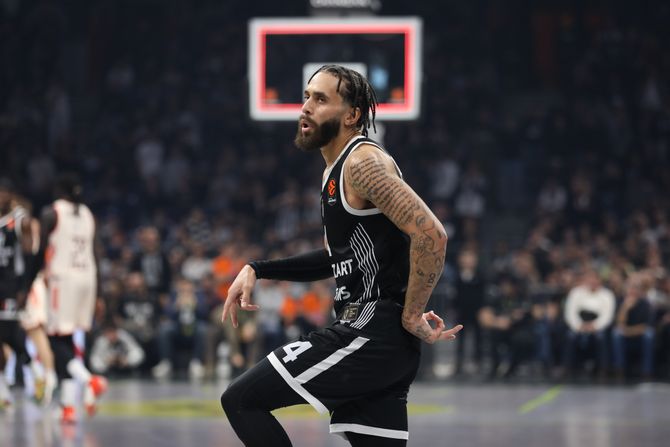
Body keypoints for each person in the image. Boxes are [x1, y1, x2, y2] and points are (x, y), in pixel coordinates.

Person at [220, 65, 463, 447]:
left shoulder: (362, 163)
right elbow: (335, 258)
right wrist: (257, 269)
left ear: (352, 115)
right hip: (383, 342)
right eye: (306, 97)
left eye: (320, 99)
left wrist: (412, 312)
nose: (306, 107)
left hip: (369, 330)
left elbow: (431, 234)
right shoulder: (334, 172)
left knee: (241, 400)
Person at [26, 173, 107, 422]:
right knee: (68, 340)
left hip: (63, 280)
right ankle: (68, 407)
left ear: (59, 190)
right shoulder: (88, 214)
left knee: (55, 341)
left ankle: (89, 380)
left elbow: (40, 252)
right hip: (87, 279)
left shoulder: (52, 213)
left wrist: (28, 281)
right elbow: (96, 253)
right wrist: (100, 293)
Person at [0, 177, 33, 408]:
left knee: (12, 336)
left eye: (4, 192)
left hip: (12, 286)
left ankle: (37, 375)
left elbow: (30, 256)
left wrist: (24, 288)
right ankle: (3, 391)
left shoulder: (20, 219)